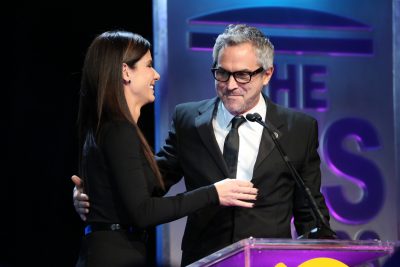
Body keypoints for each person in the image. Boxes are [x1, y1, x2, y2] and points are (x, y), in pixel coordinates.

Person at [73, 24, 334, 266]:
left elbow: (310, 212)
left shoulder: (299, 128)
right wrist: (98, 196)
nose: (231, 85)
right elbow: (153, 181)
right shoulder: (188, 120)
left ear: (267, 74)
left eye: (242, 75)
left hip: (268, 261)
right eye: (222, 73)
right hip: (204, 259)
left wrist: (326, 255)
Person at [73, 30, 258, 267]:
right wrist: (213, 193)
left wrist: (90, 193)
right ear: (125, 71)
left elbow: (143, 184)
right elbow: (143, 211)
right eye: (149, 65)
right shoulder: (118, 129)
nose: (156, 75)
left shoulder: (110, 126)